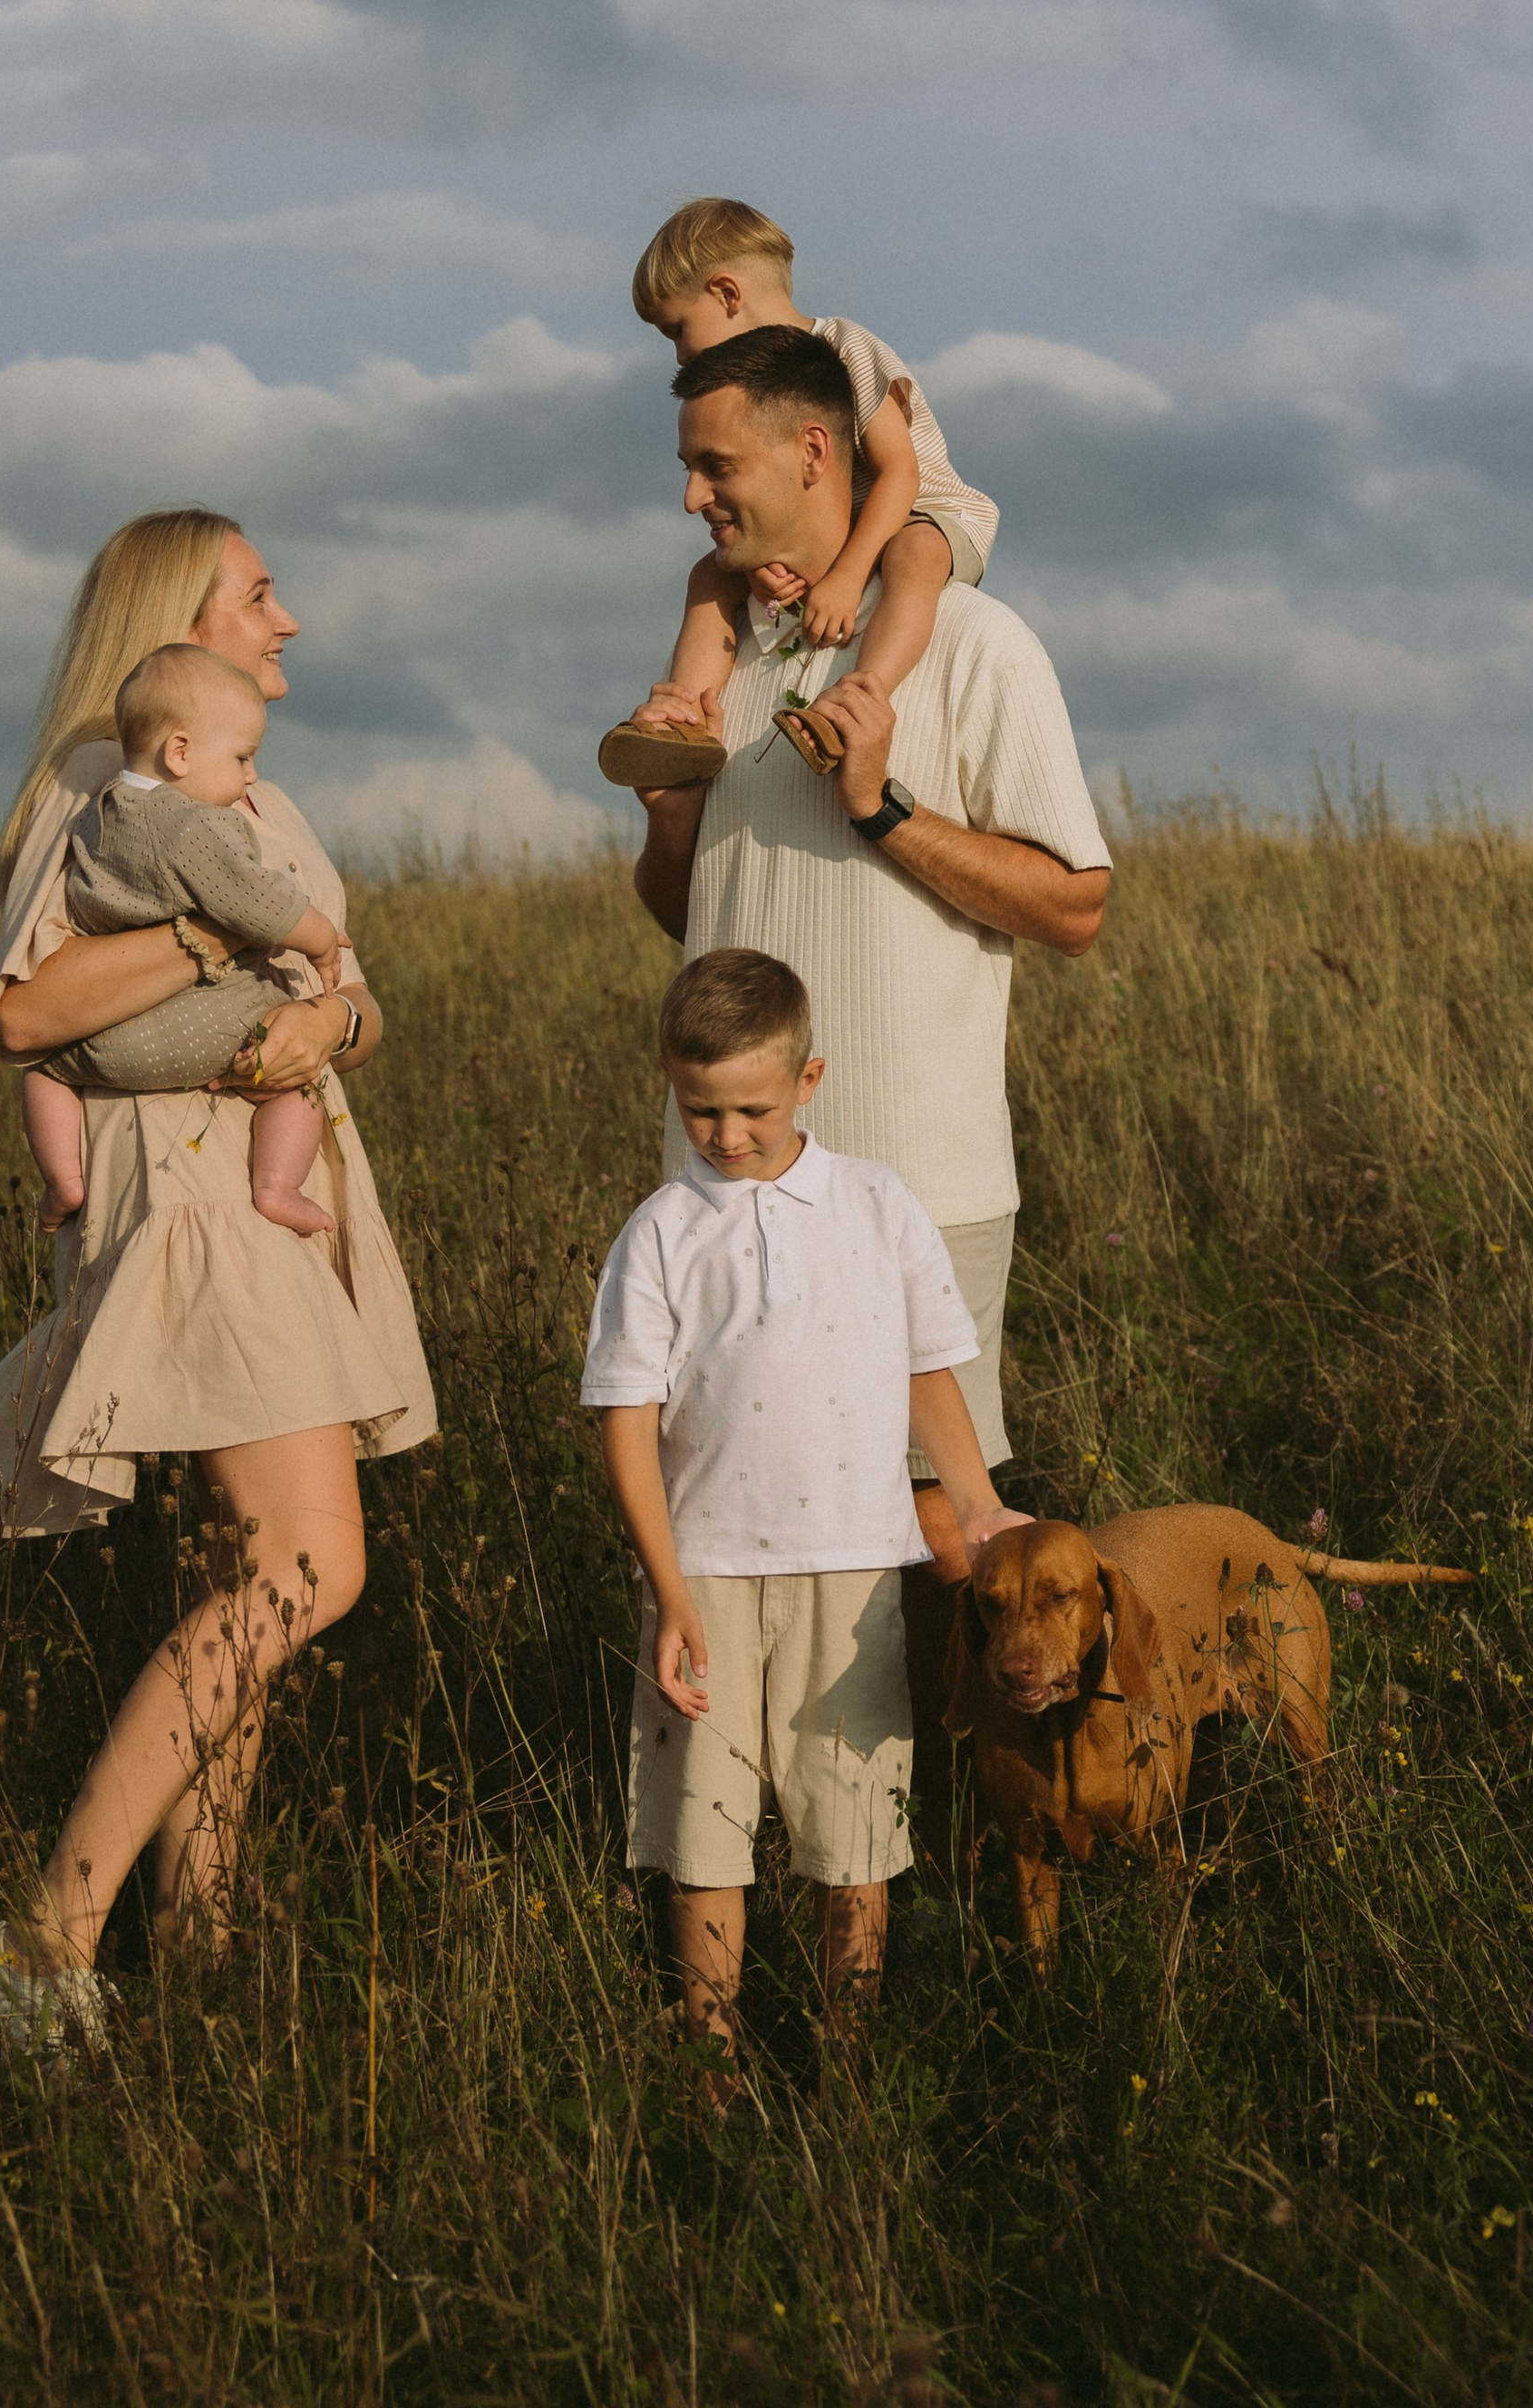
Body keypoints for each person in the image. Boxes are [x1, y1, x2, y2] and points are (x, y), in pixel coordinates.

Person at [621, 325, 1111, 1880]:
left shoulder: (970, 644)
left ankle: (951, 1890)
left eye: (720, 463)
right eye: (691, 467)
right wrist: (668, 802)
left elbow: (1076, 903)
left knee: (921, 1562)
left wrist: (883, 805)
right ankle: (747, 1893)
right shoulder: (739, 659)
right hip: (729, 1198)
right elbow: (700, 913)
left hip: (915, 1186)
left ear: (817, 452)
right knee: (737, 1540)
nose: (695, 494)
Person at [0, 506, 438, 2055]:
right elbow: (32, 1017)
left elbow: (352, 995)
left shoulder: (263, 795)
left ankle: (204, 1945)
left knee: (253, 1577)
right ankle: (47, 1936)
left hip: (267, 1184)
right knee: (313, 1570)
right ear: (182, 622)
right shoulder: (110, 792)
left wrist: (329, 1028)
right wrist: (203, 911)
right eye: (259, 593)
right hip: (196, 1199)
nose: (287, 619)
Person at [583, 949, 1010, 2073]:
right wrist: (668, 1591)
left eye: (752, 1109)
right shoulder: (660, 1231)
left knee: (852, 1826)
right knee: (706, 1833)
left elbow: (930, 1369)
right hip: (707, 1576)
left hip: (857, 1572)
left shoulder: (877, 1203)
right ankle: (711, 2059)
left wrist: (978, 1507)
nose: (725, 1136)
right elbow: (626, 1421)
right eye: (698, 1110)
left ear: (809, 1079)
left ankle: (848, 2063)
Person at [598, 197, 999, 791]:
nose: (679, 354)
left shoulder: (845, 346)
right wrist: (762, 569)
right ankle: (683, 722)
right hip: (845, 530)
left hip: (927, 514)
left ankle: (858, 700)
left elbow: (899, 474)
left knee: (911, 557)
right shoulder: (757, 390)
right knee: (710, 577)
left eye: (678, 330)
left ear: (729, 295)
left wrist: (844, 577)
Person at [19, 643, 353, 1244]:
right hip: (213, 1029)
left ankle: (64, 1179)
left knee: (42, 1072)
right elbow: (259, 906)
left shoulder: (94, 819)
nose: (251, 774)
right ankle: (277, 1186)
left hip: (107, 1042)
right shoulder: (196, 826)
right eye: (243, 757)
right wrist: (322, 939)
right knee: (302, 1078)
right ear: (181, 751)